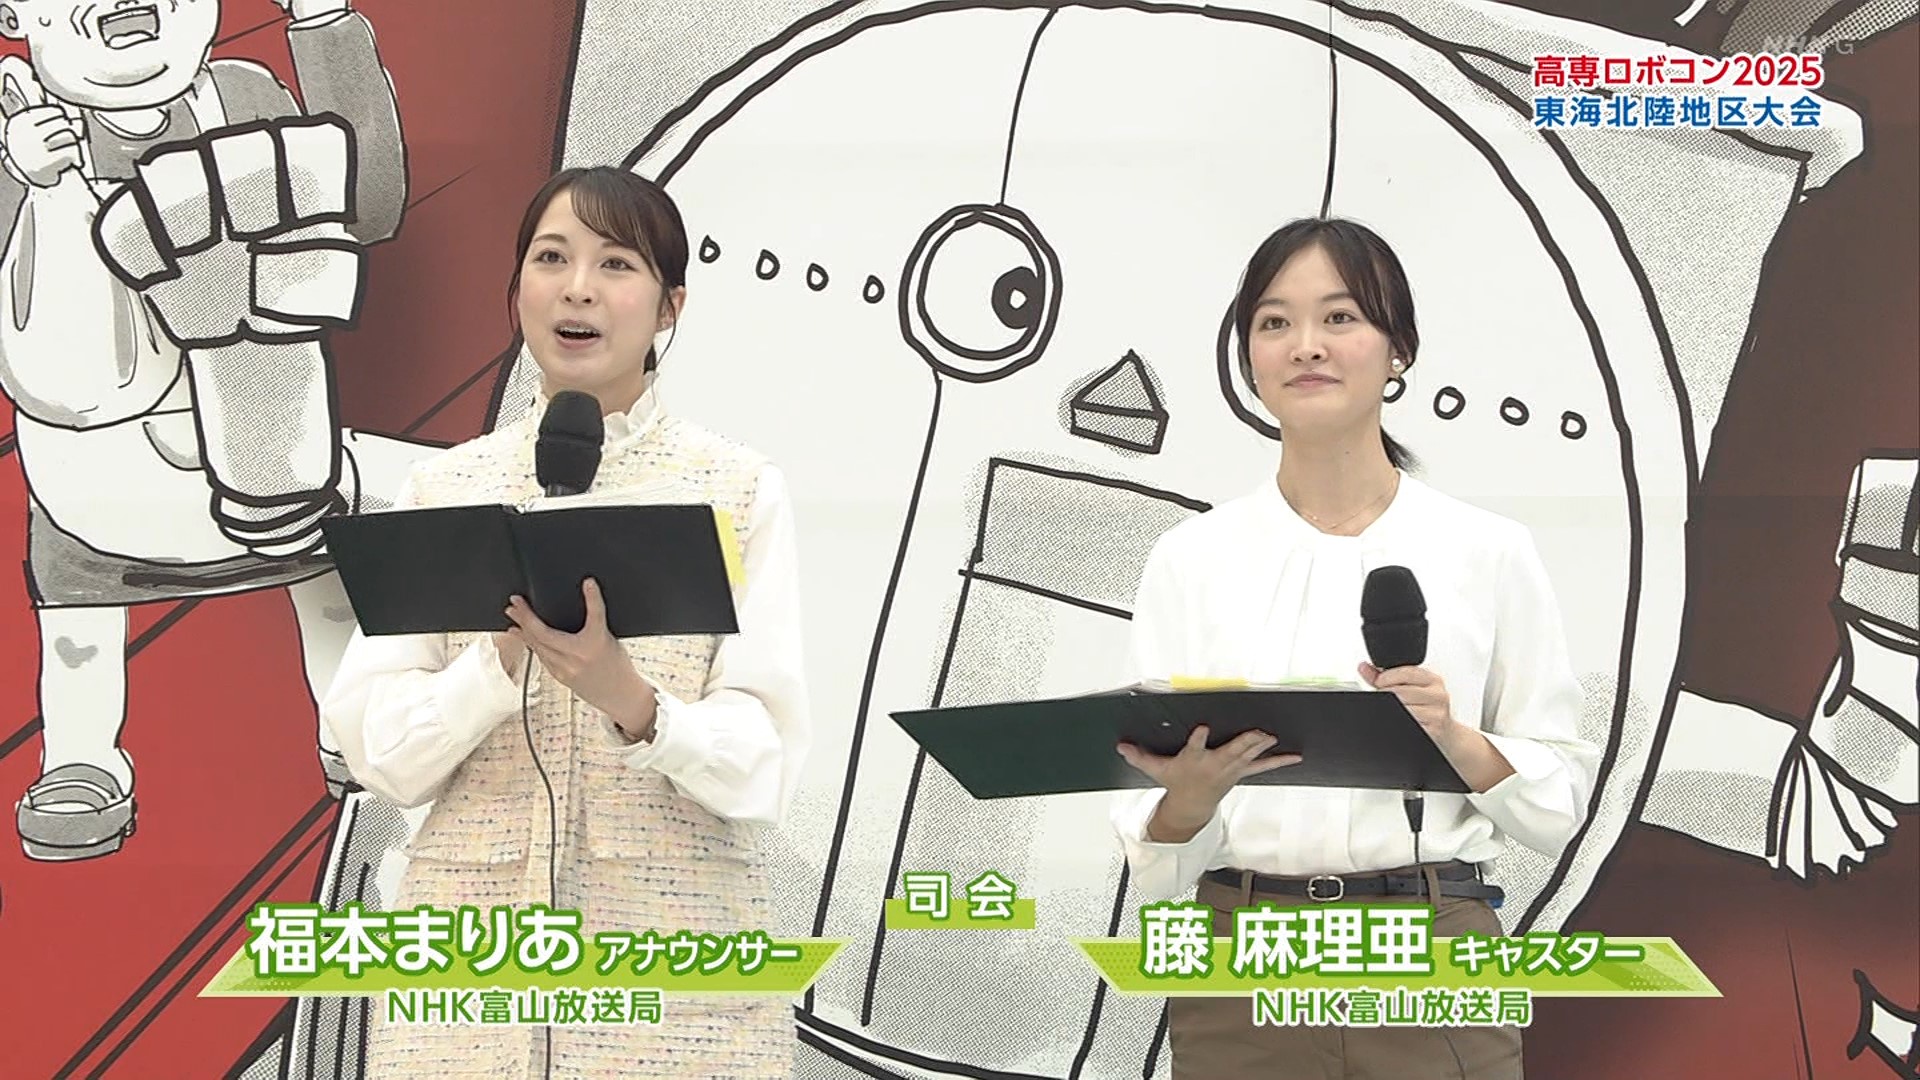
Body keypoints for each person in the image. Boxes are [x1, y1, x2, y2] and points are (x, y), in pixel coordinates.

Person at [322, 166, 809, 1078]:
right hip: (469, 978)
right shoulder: (444, 489)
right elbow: (378, 749)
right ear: (518, 293)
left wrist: (634, 703)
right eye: (551, 258)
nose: (578, 287)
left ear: (669, 307)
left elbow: (766, 760)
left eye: (615, 263)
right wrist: (493, 669)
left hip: (671, 978)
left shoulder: (737, 490)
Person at [1110, 217, 1600, 1079]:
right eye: (1275, 322)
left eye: (1339, 317)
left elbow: (1556, 806)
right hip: (1242, 952)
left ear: (1398, 349)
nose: (1306, 345)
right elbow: (1155, 858)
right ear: (1250, 359)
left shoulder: (1489, 551)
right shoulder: (1191, 558)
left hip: (1431, 942)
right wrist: (1184, 800)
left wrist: (1452, 738)